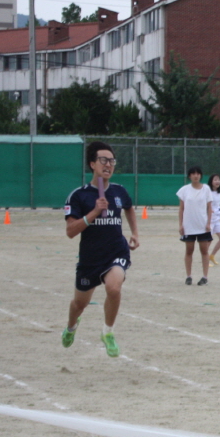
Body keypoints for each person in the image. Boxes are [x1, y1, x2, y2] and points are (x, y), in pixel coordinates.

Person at [61, 141, 140, 358]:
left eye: (112, 161)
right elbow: (70, 231)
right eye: (103, 160)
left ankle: (108, 332)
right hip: (90, 259)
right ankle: (71, 327)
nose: (108, 164)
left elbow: (130, 208)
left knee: (114, 289)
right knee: (79, 304)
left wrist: (134, 232)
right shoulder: (79, 195)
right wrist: (94, 212)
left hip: (116, 252)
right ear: (92, 164)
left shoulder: (119, 191)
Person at [177, 165, 214, 285]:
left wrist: (208, 223)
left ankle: (205, 277)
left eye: (198, 173)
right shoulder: (184, 190)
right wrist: (181, 225)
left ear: (201, 175)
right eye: (193, 173)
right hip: (189, 226)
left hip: (202, 226)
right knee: (189, 250)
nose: (196, 175)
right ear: (189, 176)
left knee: (204, 251)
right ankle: (189, 276)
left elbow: (209, 208)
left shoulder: (206, 189)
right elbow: (181, 209)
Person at [207, 173, 220, 265]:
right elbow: (203, 203)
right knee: (208, 240)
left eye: (218, 179)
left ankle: (211, 256)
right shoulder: (207, 192)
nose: (217, 181)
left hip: (216, 219)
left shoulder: (218, 192)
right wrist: (208, 209)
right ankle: (205, 259)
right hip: (208, 220)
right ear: (211, 181)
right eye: (215, 179)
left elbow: (217, 204)